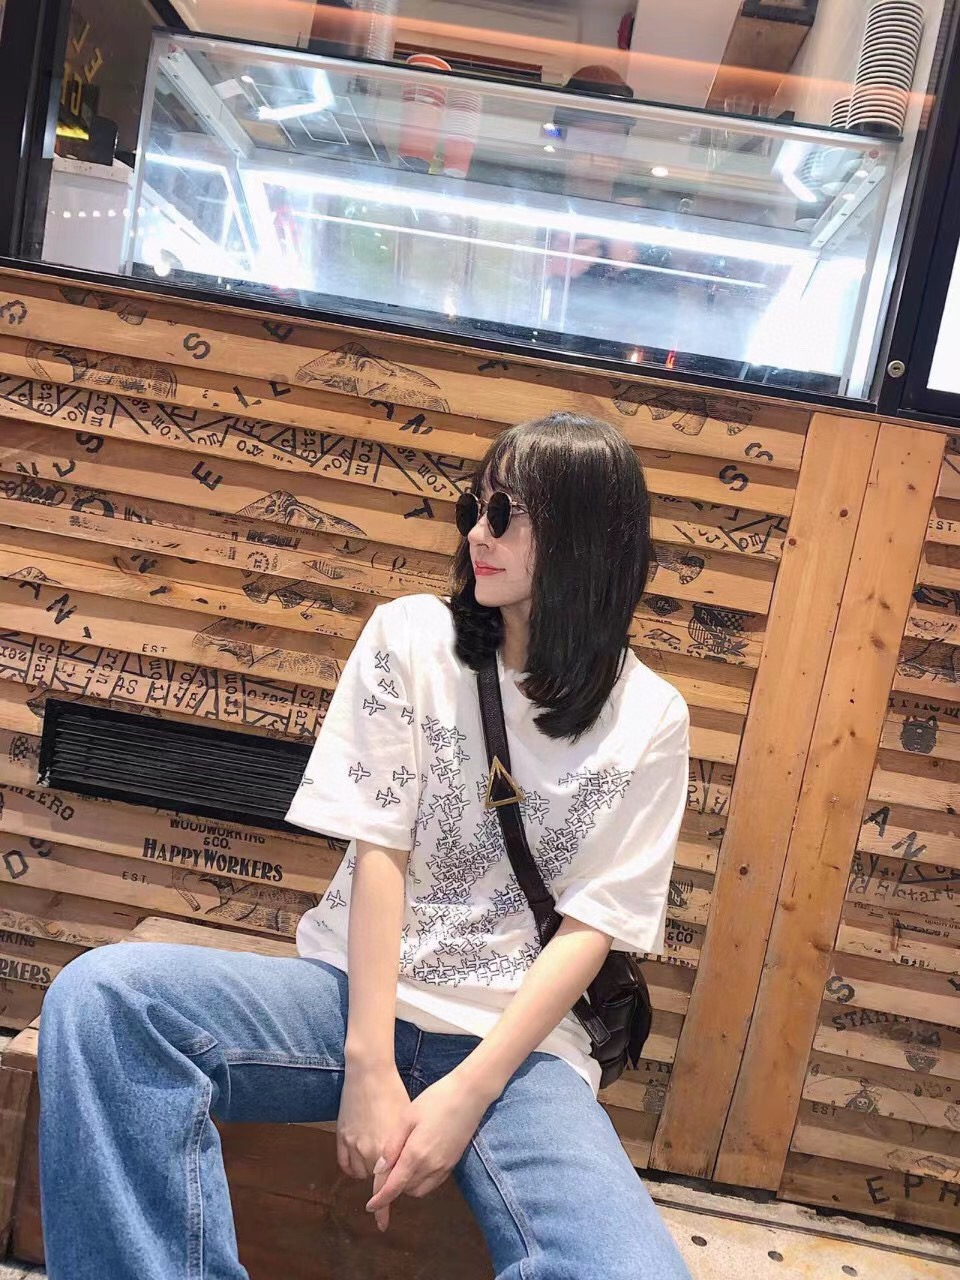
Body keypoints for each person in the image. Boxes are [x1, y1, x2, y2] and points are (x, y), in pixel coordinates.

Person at [37, 410, 693, 1280]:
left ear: (584, 539)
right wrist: (369, 1066)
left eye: (505, 515)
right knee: (104, 1001)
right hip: (349, 1001)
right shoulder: (414, 637)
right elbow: (382, 852)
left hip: (519, 1052)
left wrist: (466, 1095)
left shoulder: (650, 717)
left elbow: (590, 927)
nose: (477, 533)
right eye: (474, 506)